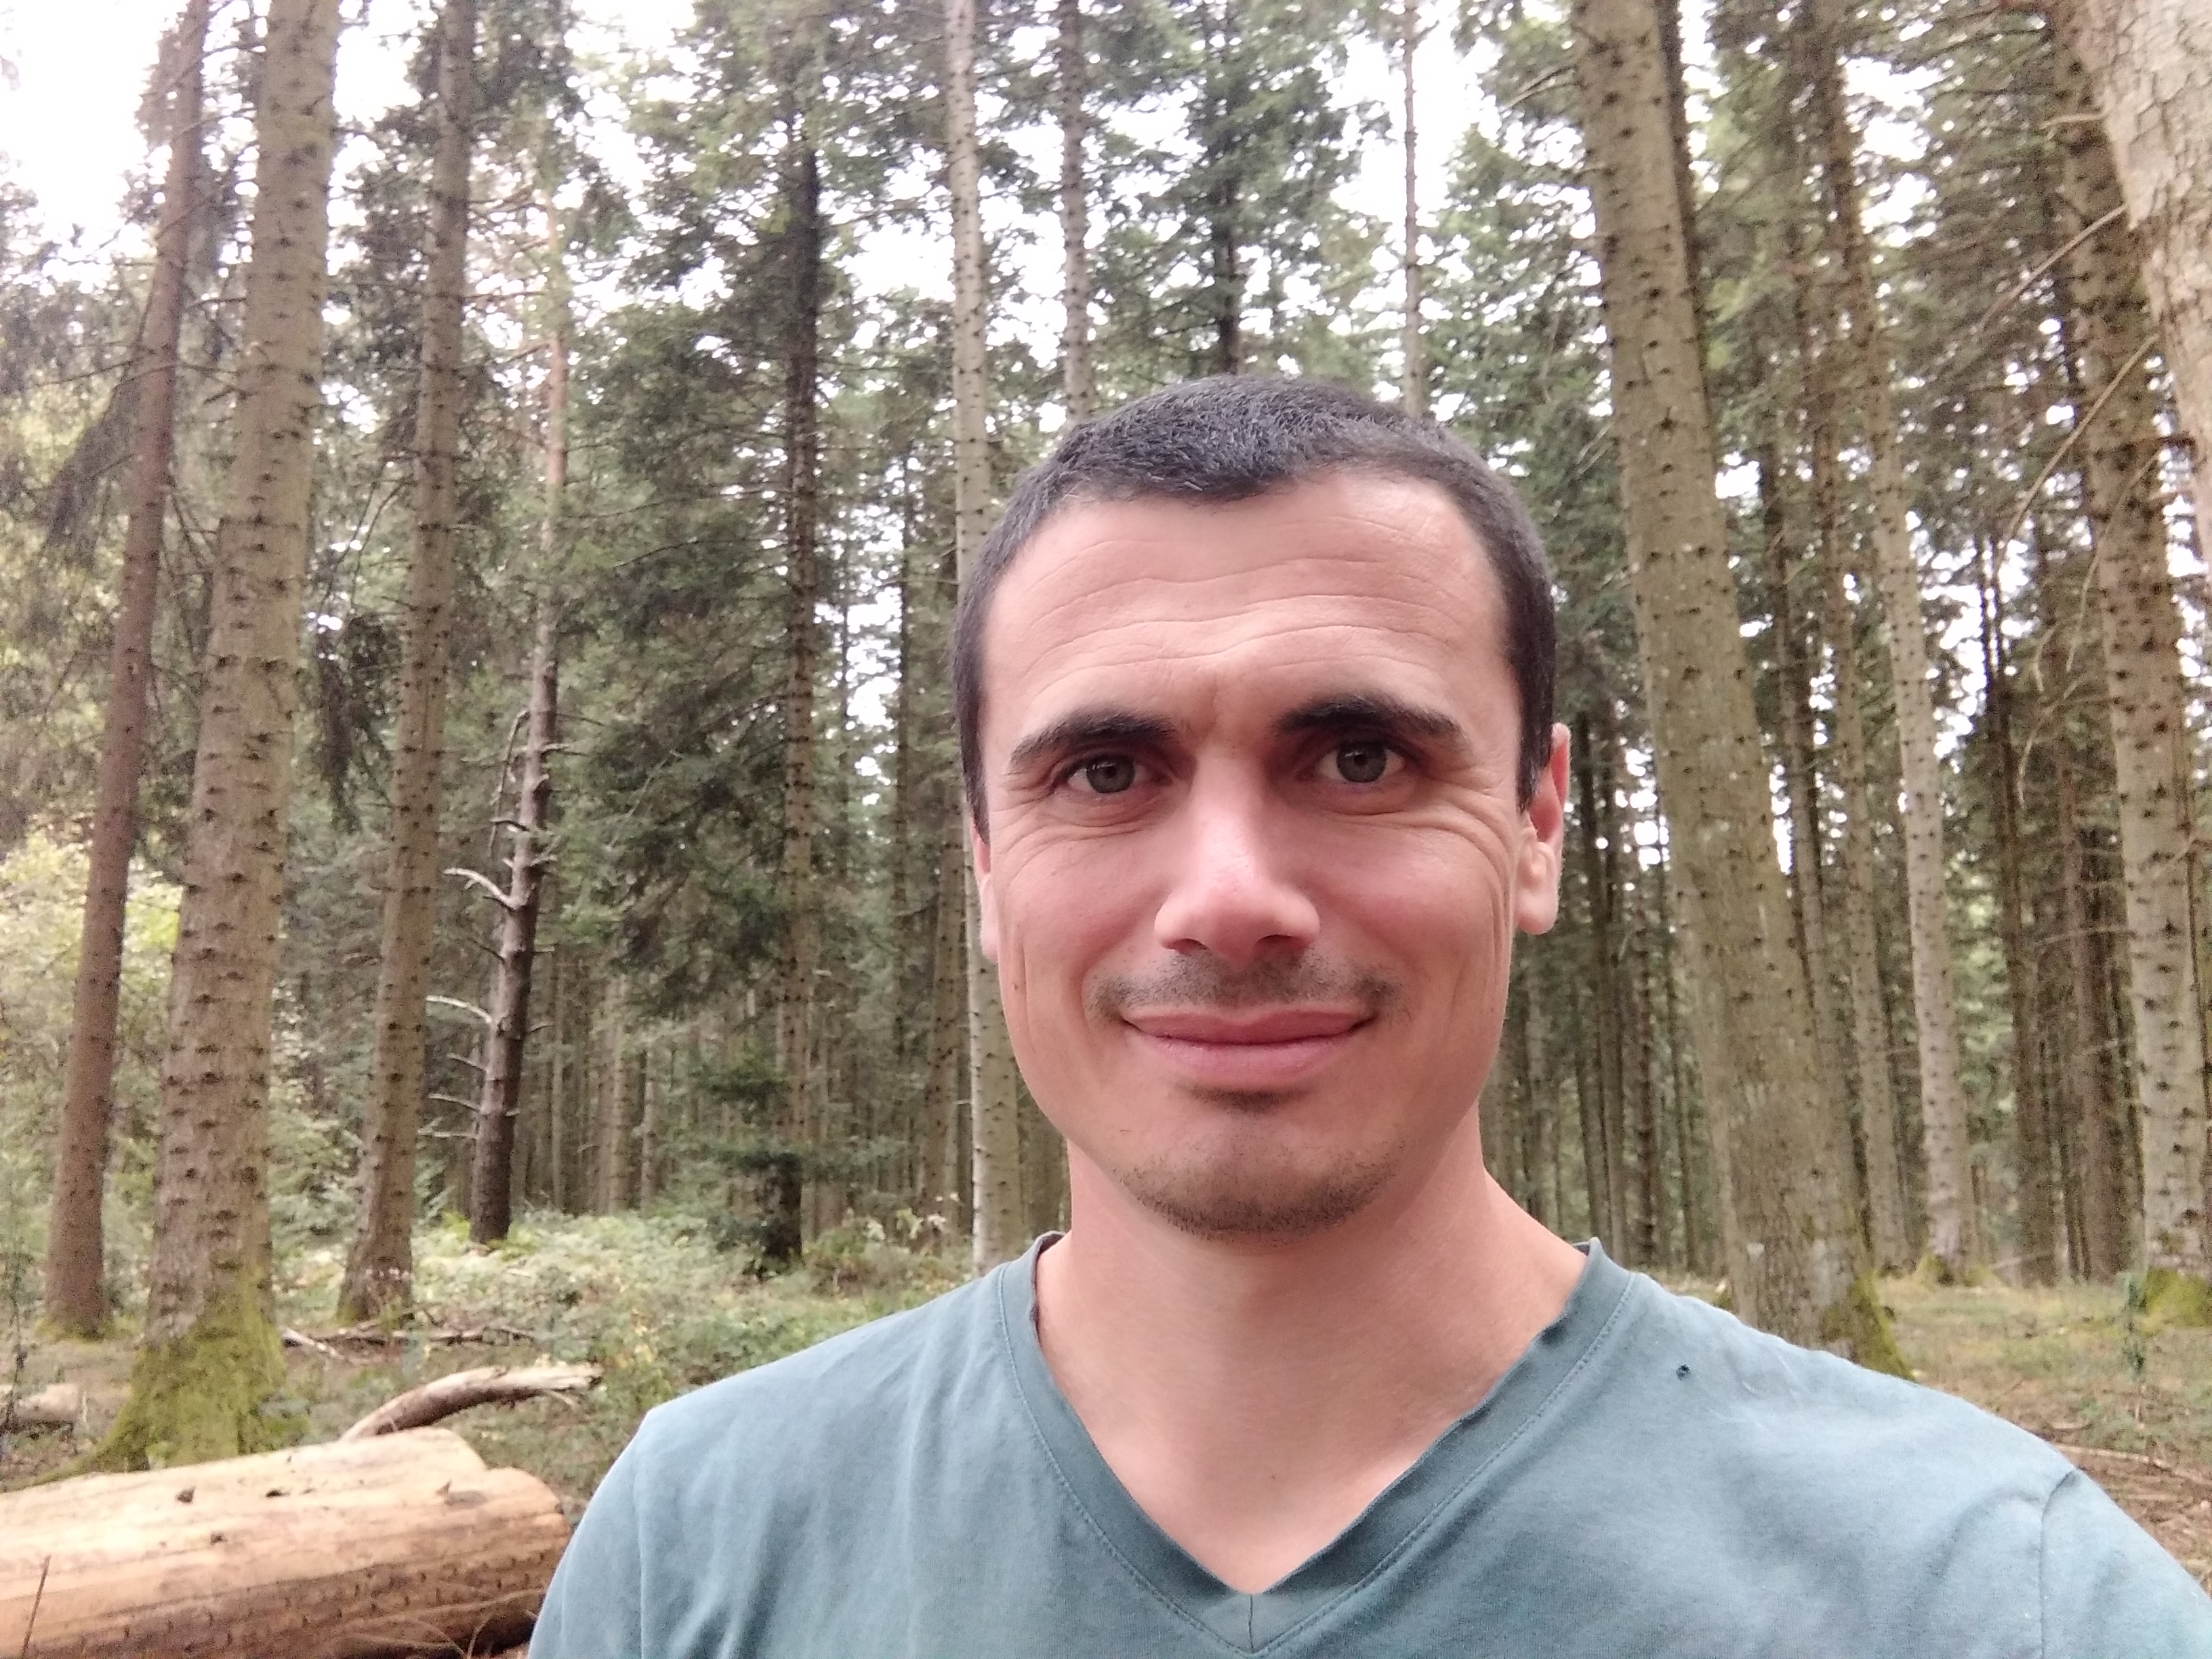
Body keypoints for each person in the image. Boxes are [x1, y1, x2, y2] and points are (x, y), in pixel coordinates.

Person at [532, 376, 2210, 1656]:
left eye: (1359, 759)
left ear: (1540, 825)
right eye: (1106, 773)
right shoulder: (703, 1542)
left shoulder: (1994, 1594)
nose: (1232, 896)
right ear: (983, 866)